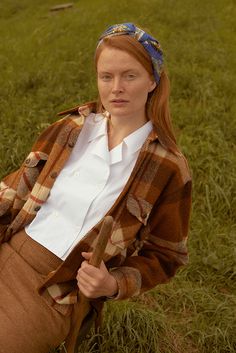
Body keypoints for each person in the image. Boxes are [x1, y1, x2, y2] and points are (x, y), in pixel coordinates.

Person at [0, 23, 192, 353]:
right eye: (107, 76)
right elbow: (17, 187)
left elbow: (167, 255)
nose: (116, 87)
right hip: (10, 247)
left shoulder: (168, 168)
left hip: (55, 290)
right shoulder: (70, 128)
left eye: (129, 76)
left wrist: (113, 283)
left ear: (152, 80)